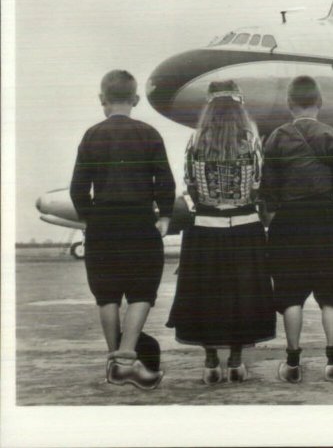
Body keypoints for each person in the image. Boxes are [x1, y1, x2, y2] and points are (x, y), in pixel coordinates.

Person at [70, 69, 175, 390]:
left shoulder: (91, 135)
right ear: (136, 100)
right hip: (140, 223)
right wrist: (165, 217)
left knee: (107, 295)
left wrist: (91, 220)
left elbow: (77, 189)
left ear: (102, 100)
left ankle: (115, 361)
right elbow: (166, 183)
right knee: (142, 292)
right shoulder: (149, 134)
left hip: (102, 224)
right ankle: (127, 359)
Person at [166, 80, 275, 384]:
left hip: (204, 229)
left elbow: (189, 184)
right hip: (244, 229)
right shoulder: (251, 140)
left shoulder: (195, 141)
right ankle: (237, 361)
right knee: (242, 295)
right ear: (239, 104)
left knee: (206, 295)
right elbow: (258, 185)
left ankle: (210, 360)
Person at [261, 75, 333, 383]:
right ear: (320, 102)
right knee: (330, 295)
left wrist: (273, 219)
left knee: (290, 295)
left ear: (289, 104)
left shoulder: (275, 138)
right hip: (327, 221)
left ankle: (292, 363)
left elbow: (269, 191)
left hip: (288, 222)